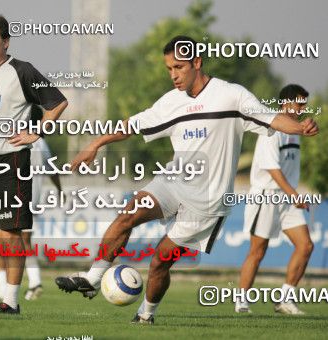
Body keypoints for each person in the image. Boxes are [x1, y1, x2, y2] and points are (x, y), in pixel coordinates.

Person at [55, 36, 318, 324]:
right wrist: (96, 144)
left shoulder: (232, 95)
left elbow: (273, 119)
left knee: (159, 262)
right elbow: (131, 125)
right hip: (173, 181)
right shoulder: (171, 102)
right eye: (169, 68)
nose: (173, 75)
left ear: (197, 62)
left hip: (207, 201)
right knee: (126, 215)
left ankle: (145, 314)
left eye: (178, 67)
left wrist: (300, 127)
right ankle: (93, 278)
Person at [0, 14, 67, 315]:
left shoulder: (22, 71)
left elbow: (57, 103)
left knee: (9, 236)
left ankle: (11, 302)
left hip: (11, 162)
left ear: (5, 41)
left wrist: (37, 131)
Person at [235, 84, 313, 315]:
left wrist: (291, 195)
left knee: (305, 245)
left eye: (303, 105)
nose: (302, 109)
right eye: (298, 104)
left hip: (287, 199)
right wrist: (295, 195)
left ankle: (285, 300)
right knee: (258, 251)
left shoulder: (295, 131)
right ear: (285, 103)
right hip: (266, 196)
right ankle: (241, 302)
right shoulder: (271, 129)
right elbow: (272, 168)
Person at [0, 106, 63, 302]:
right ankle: (34, 282)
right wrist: (59, 191)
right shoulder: (41, 142)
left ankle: (2, 291)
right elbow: (52, 170)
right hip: (33, 199)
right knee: (24, 242)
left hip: (13, 196)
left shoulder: (13, 137)